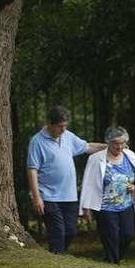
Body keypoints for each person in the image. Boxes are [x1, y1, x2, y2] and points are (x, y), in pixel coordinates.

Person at [27, 105, 106, 254]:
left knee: (70, 231)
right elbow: (32, 169)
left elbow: (87, 147)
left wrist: (109, 147)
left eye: (65, 126)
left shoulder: (68, 136)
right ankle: (57, 259)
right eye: (59, 127)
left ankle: (57, 255)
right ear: (49, 123)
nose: (63, 130)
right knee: (57, 231)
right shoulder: (37, 142)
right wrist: (37, 197)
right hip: (47, 195)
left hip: (69, 195)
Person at [79, 126, 135, 264]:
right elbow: (88, 184)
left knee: (128, 235)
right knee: (111, 237)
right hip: (105, 207)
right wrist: (86, 207)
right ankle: (113, 263)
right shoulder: (96, 159)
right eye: (116, 143)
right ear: (109, 143)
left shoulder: (130, 156)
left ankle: (113, 259)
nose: (119, 146)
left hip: (126, 204)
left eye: (122, 143)